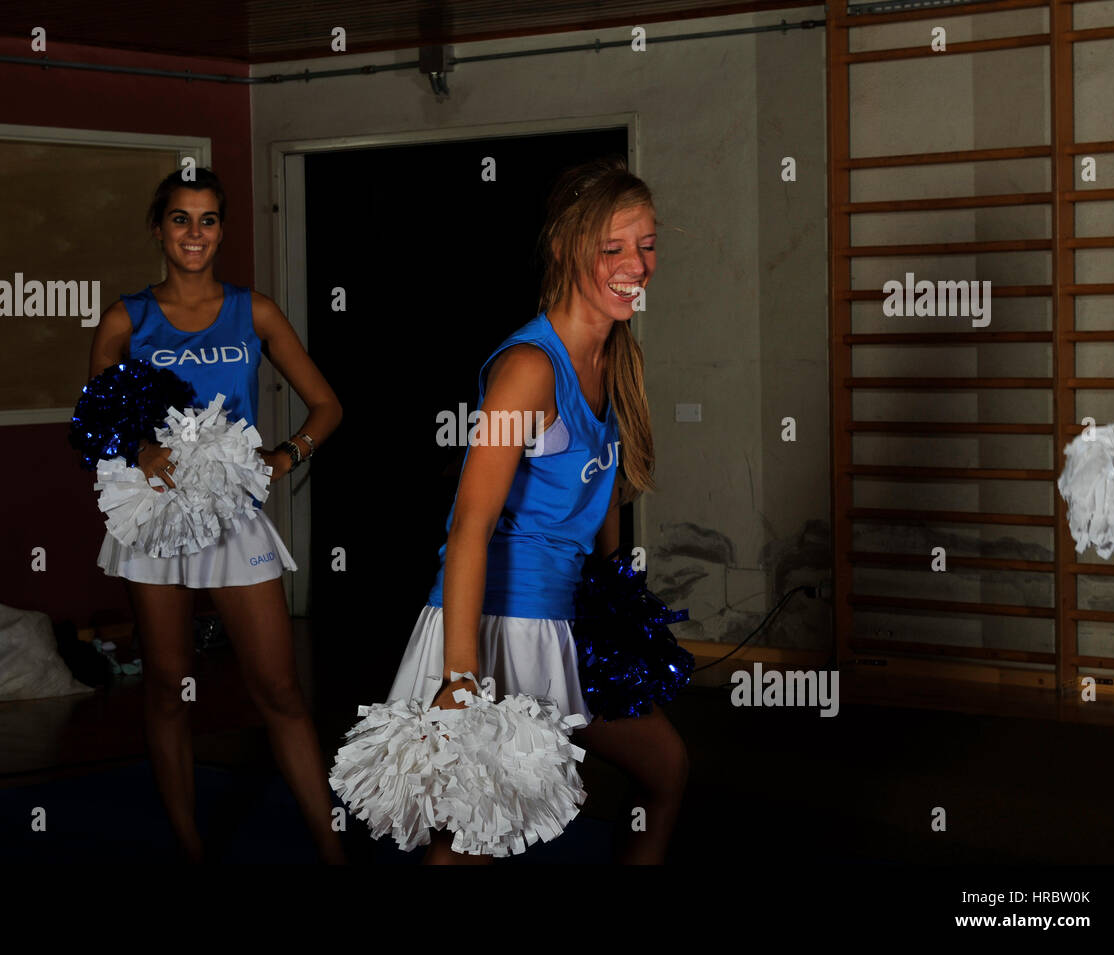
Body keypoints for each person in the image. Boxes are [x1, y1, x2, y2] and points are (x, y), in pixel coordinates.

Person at [387, 156, 690, 864]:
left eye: (646, 244)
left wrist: (618, 604)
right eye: (611, 248)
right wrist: (461, 678)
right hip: (496, 626)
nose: (635, 265)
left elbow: (601, 490)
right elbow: (469, 523)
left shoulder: (617, 356)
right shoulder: (527, 369)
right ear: (564, 247)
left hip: (566, 621)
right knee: (470, 841)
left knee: (667, 769)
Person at [86, 168, 345, 863]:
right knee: (168, 684)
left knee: (281, 689)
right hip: (157, 521)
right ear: (159, 227)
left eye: (206, 220)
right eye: (180, 219)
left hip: (235, 520)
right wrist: (137, 447)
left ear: (222, 230)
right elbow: (96, 418)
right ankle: (190, 846)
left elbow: (328, 405)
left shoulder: (252, 311)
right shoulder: (127, 318)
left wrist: (286, 455)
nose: (193, 233)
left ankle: (332, 849)